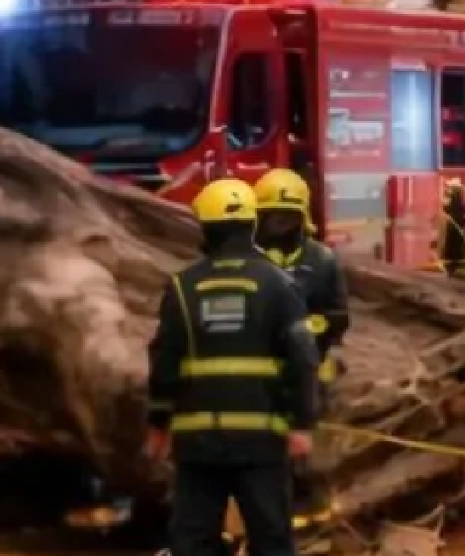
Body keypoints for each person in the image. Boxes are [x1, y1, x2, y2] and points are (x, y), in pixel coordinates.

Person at [146, 177, 320, 556]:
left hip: (198, 444)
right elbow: (303, 358)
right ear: (251, 225)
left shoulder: (182, 287)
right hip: (262, 443)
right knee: (271, 538)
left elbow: (164, 363)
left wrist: (159, 425)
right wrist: (302, 424)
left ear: (205, 229)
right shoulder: (280, 284)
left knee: (193, 541)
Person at [252, 169, 346, 556]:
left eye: (287, 216)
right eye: (272, 215)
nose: (280, 223)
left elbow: (339, 315)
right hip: (258, 375)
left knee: (306, 449)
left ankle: (314, 517)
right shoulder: (245, 259)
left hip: (311, 371)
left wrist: (306, 332)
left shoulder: (322, 260)